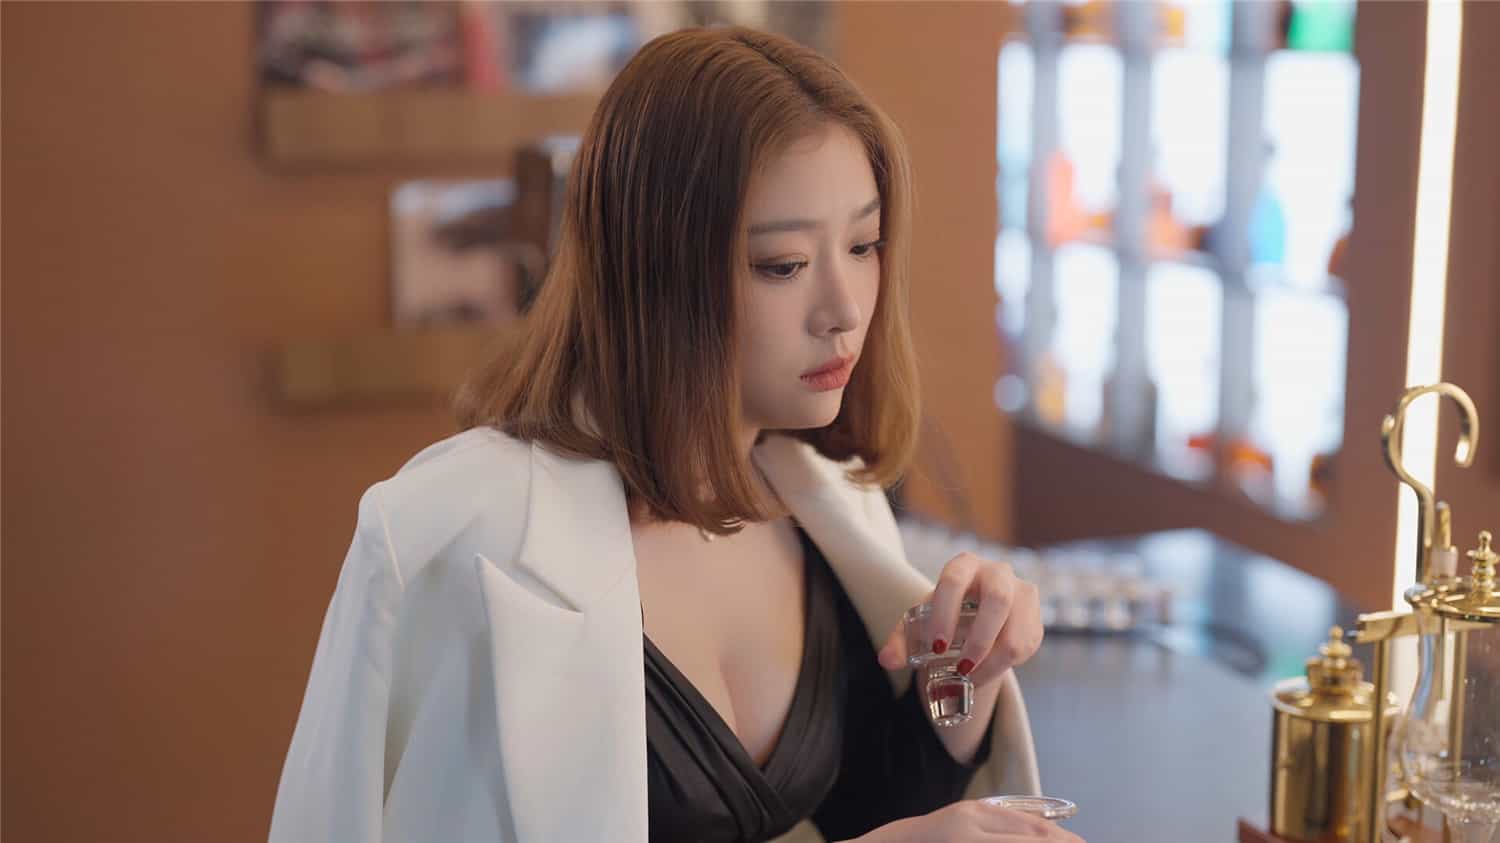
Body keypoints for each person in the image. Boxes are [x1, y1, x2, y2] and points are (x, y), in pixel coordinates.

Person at [269, 25, 1080, 843]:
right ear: (657, 270)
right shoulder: (445, 538)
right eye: (783, 264)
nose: (845, 309)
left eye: (863, 245)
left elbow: (864, 810)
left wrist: (960, 675)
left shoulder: (826, 509)